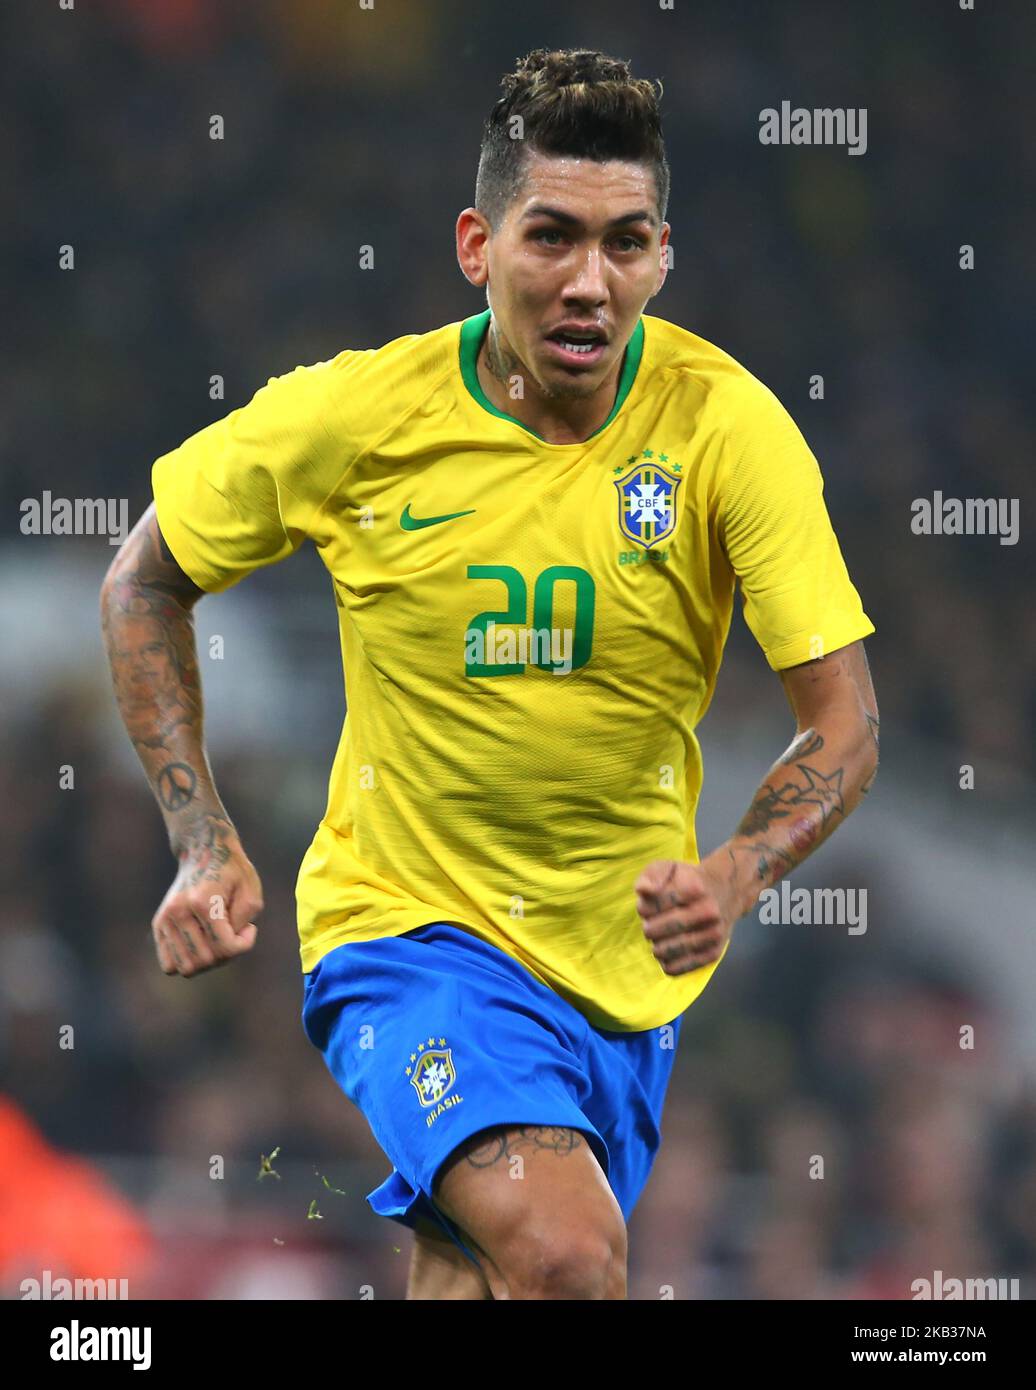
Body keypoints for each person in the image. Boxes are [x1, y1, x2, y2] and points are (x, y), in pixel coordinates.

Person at [100, 47, 879, 1300]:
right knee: (565, 1252)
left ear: (663, 255)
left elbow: (842, 722)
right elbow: (141, 581)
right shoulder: (357, 418)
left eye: (626, 244)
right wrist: (201, 837)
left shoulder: (726, 430)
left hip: (621, 974)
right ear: (476, 244)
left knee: (475, 1276)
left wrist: (737, 873)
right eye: (551, 237)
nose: (589, 282)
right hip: (409, 932)